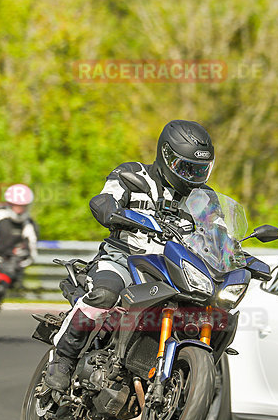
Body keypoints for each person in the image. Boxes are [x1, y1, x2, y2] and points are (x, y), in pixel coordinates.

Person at [46, 120, 215, 390]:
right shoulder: (132, 174)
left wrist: (236, 252)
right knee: (105, 295)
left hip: (171, 271)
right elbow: (106, 198)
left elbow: (219, 232)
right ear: (165, 156)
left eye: (199, 170)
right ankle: (63, 358)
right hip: (123, 259)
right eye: (186, 168)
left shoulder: (204, 198)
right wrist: (109, 210)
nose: (192, 177)